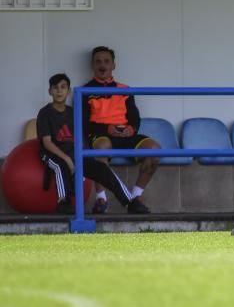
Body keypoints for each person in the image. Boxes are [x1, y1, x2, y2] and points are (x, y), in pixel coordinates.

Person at [36, 73, 149, 215]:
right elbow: (47, 143)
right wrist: (68, 160)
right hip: (51, 154)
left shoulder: (73, 112)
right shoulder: (45, 113)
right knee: (61, 165)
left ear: (69, 91)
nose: (59, 91)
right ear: (50, 91)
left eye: (63, 87)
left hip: (73, 153)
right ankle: (63, 202)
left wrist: (82, 161)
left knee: (101, 168)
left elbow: (80, 138)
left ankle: (129, 202)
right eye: (55, 88)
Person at [83, 46, 159, 214]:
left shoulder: (125, 89)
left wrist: (131, 129)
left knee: (154, 149)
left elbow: (134, 117)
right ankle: (101, 198)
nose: (102, 65)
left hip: (125, 134)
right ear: (92, 65)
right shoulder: (85, 91)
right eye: (98, 61)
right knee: (100, 149)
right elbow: (84, 123)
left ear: (114, 65)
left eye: (106, 61)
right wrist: (108, 128)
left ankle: (136, 197)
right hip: (102, 135)